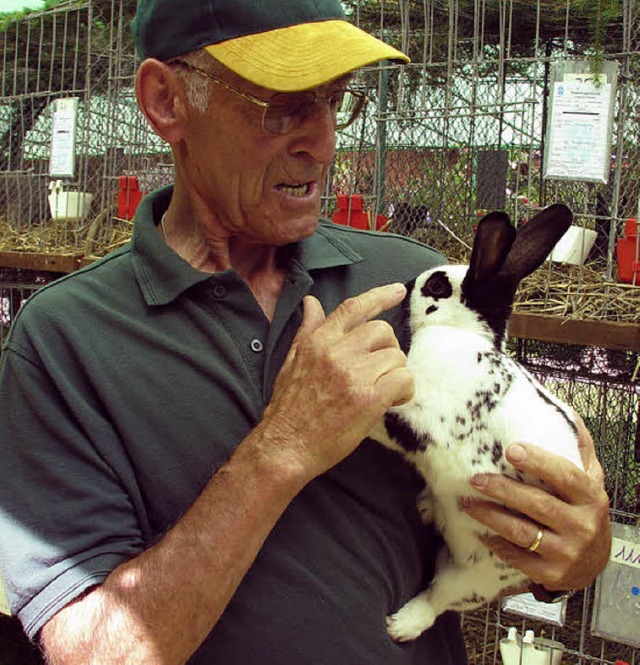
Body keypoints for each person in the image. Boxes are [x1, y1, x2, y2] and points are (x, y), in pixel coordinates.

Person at [0, 1, 611, 663]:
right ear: (166, 100)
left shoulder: (418, 289)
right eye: (284, 105)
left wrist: (576, 552)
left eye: (335, 101)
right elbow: (93, 653)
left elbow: (531, 513)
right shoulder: (63, 342)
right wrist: (281, 448)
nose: (322, 142)